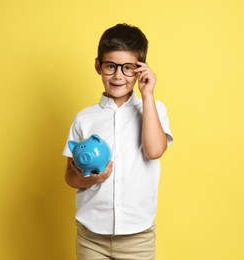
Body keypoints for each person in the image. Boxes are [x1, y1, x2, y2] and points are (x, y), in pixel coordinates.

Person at [62, 23, 173, 260]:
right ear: (98, 66)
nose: (118, 75)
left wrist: (148, 95)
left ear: (140, 69)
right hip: (91, 236)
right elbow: (70, 176)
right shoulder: (84, 118)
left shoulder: (154, 109)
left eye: (128, 68)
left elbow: (154, 151)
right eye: (110, 66)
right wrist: (91, 178)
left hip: (137, 237)